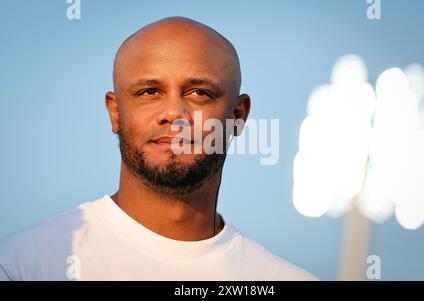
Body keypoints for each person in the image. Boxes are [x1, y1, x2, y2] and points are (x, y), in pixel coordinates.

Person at [0, 16, 317, 281]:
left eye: (199, 93)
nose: (174, 113)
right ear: (115, 111)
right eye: (150, 91)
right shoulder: (22, 265)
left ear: (237, 116)